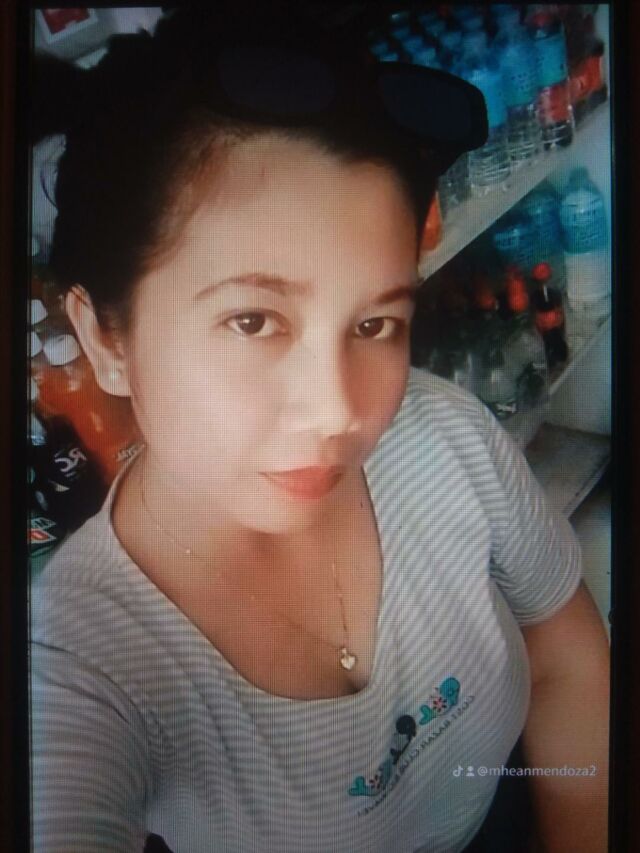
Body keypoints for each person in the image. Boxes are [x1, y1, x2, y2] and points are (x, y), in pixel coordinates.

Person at [29, 5, 609, 852]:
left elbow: (563, 650)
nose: (340, 411)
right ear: (106, 340)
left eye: (375, 324)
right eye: (254, 321)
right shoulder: (76, 663)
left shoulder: (444, 434)